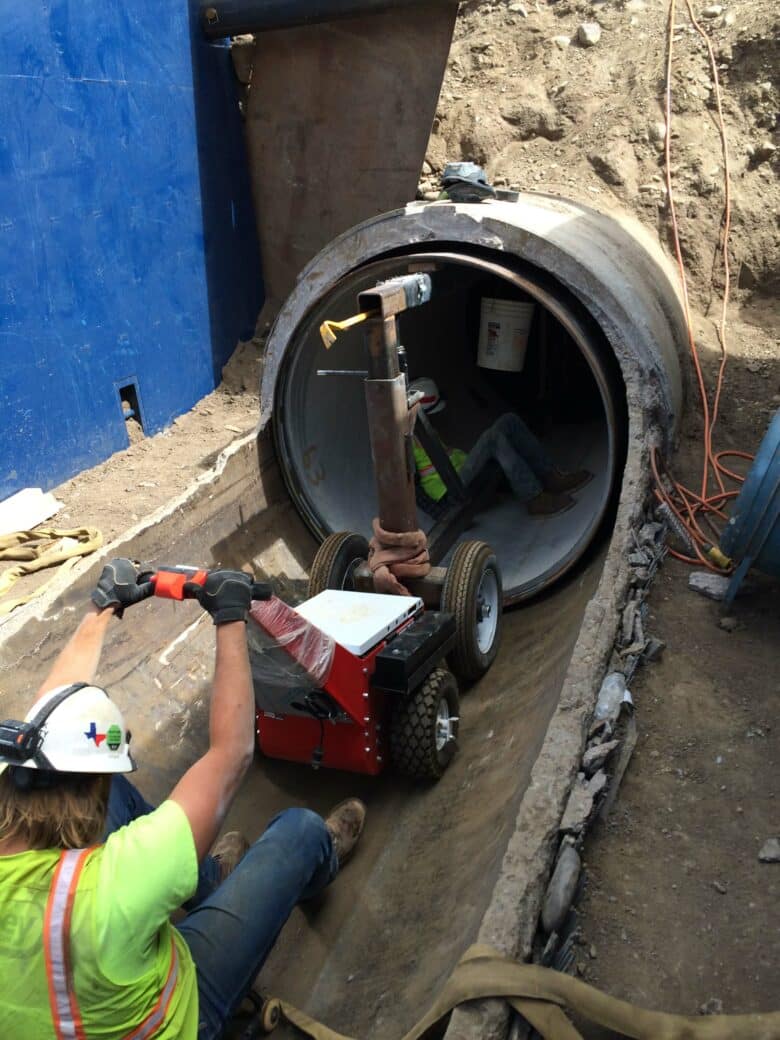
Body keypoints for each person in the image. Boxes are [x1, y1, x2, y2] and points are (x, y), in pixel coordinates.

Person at [0, 559, 365, 1040]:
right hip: (181, 1015)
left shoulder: (18, 778)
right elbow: (231, 754)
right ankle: (320, 856)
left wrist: (103, 607)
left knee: (99, 789)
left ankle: (211, 878)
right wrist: (230, 614)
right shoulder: (116, 885)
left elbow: (46, 722)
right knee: (298, 830)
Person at [409, 377, 592, 516]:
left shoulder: (428, 432)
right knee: (493, 437)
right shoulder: (410, 438)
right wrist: (440, 514)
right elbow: (411, 487)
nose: (439, 417)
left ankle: (550, 476)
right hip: (449, 491)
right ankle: (533, 498)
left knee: (509, 420)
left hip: (460, 475)